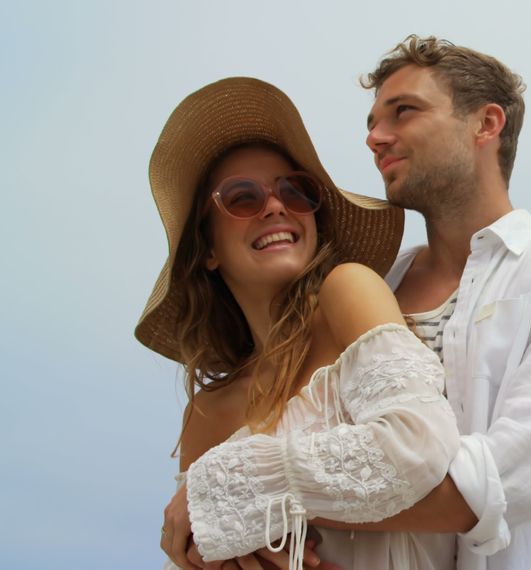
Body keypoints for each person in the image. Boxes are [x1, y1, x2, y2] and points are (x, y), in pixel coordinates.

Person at [328, 36, 531, 569]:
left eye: (403, 112)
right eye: (371, 124)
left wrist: (271, 499)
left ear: (486, 124)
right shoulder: (367, 289)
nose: (376, 138)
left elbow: (514, 481)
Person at [136, 77, 461, 570]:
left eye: (295, 191)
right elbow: (191, 549)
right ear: (205, 250)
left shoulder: (348, 291)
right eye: (241, 198)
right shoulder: (207, 411)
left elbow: (416, 448)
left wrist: (227, 482)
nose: (274, 206)